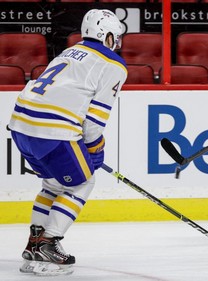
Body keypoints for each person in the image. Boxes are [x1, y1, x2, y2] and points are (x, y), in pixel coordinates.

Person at [8, 9, 127, 275]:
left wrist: (90, 147)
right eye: (114, 37)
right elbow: (93, 123)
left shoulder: (70, 52)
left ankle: (35, 243)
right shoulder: (114, 65)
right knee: (84, 182)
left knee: (52, 183)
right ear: (106, 36)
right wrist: (96, 149)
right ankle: (49, 244)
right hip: (52, 130)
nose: (116, 43)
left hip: (21, 124)